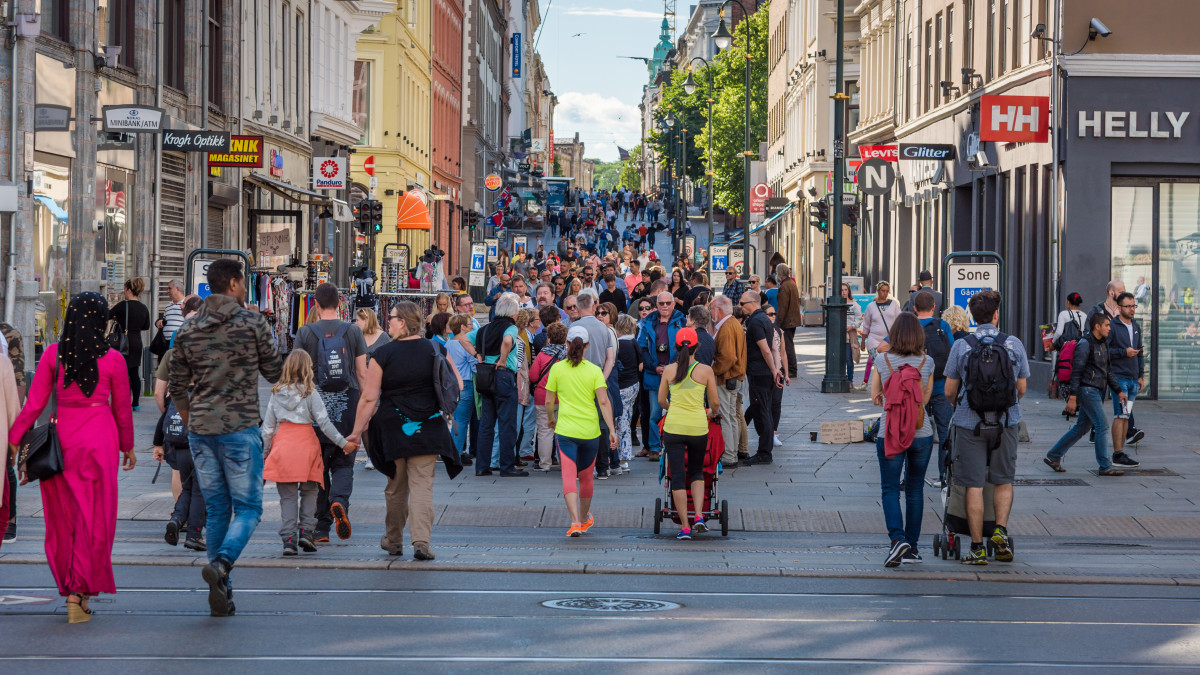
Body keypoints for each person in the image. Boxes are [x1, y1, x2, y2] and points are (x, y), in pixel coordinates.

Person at [9, 292, 135, 622]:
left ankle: (71, 589)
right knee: (94, 518)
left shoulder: (52, 355)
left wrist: (13, 440)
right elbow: (122, 409)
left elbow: (34, 405)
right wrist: (129, 446)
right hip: (99, 442)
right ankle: (80, 592)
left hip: (60, 443)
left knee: (62, 520)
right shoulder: (114, 360)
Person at [169, 258, 283, 617]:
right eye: (244, 281)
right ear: (234, 284)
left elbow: (176, 386)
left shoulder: (188, 329)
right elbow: (274, 370)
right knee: (249, 508)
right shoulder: (252, 322)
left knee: (217, 509)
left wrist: (191, 420)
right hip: (239, 428)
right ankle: (222, 566)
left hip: (201, 432)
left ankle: (224, 592)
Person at [351, 301, 463, 560]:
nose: (387, 321)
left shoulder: (383, 355)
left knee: (396, 487)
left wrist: (356, 432)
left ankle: (393, 540)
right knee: (423, 486)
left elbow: (369, 398)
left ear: (402, 322)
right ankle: (421, 542)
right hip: (429, 427)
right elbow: (456, 383)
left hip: (394, 428)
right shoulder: (435, 348)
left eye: (390, 318)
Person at [943, 290, 1028, 566]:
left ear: (973, 317)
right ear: (995, 315)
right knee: (1003, 480)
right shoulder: (1013, 344)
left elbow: (949, 390)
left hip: (970, 423)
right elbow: (1022, 389)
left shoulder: (962, 345)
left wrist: (963, 405)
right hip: (1006, 422)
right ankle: (1000, 534)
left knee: (973, 485)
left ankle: (977, 547)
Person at [261, 351, 358, 556]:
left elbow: (268, 429)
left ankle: (289, 539)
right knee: (309, 492)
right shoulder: (311, 393)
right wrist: (343, 444)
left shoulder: (276, 393)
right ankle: (306, 531)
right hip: (306, 446)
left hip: (283, 446)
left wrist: (265, 454)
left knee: (287, 496)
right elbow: (324, 423)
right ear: (308, 369)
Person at [293, 283, 368, 543]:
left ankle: (321, 528)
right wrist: (366, 408)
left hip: (316, 408)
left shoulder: (305, 332)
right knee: (345, 461)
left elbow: (298, 377)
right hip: (348, 404)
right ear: (339, 304)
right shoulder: (354, 331)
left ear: (315, 303)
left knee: (319, 467)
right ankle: (340, 502)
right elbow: (361, 373)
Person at [869, 313, 935, 566]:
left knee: (889, 489)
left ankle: (897, 541)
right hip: (922, 433)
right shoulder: (927, 361)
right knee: (915, 490)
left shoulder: (882, 359)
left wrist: (885, 394)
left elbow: (874, 394)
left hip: (890, 432)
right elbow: (925, 399)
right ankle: (913, 549)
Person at [544, 325, 618, 536]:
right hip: (590, 431)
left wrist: (551, 419)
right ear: (587, 346)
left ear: (566, 344)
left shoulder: (557, 369)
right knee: (586, 477)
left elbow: (549, 400)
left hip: (566, 429)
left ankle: (574, 521)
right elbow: (604, 402)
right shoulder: (594, 370)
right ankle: (585, 519)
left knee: (568, 476)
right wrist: (612, 430)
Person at [1045, 310, 1129, 478]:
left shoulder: (1104, 343)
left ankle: (1053, 456)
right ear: (1097, 326)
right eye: (1106, 325)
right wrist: (1073, 397)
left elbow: (1108, 370)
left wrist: (1118, 391)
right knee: (1102, 425)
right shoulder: (1085, 344)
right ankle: (1105, 466)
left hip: (1097, 390)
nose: (1109, 329)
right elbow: (1077, 371)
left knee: (1081, 427)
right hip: (1087, 389)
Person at [658, 327, 721, 540]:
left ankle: (685, 526)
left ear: (676, 347)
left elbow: (660, 401)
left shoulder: (668, 370)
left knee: (676, 476)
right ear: (697, 346)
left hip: (674, 427)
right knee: (696, 472)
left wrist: (673, 407)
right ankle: (700, 517)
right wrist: (710, 413)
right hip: (697, 427)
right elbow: (715, 403)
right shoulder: (705, 371)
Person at [469, 293, 526, 477]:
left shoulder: (485, 329)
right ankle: (507, 466)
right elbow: (508, 341)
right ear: (513, 312)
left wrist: (478, 355)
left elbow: (463, 339)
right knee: (507, 423)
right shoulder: (510, 327)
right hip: (503, 376)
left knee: (486, 423)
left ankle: (482, 466)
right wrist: (502, 359)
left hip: (485, 376)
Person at [571, 290, 620, 478]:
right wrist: (603, 378)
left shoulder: (574, 328)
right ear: (593, 306)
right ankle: (602, 467)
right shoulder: (603, 328)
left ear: (577, 306)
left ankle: (581, 468)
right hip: (597, 379)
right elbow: (611, 358)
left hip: (577, 381)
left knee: (579, 423)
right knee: (601, 424)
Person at [637, 291, 686, 460]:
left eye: (668, 303)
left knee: (677, 412)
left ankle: (676, 445)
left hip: (675, 375)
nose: (665, 306)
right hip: (654, 374)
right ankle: (654, 447)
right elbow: (642, 348)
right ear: (656, 305)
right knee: (654, 414)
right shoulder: (648, 323)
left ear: (673, 304)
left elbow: (685, 348)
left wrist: (672, 367)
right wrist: (655, 367)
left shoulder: (682, 321)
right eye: (661, 303)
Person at [741, 292, 783, 465]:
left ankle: (764, 453)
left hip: (759, 372)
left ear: (752, 303)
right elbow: (772, 347)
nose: (740, 306)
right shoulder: (764, 320)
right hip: (762, 371)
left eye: (742, 303)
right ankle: (761, 450)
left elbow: (766, 349)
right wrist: (775, 369)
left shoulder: (757, 321)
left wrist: (774, 370)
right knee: (760, 409)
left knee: (763, 411)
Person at [1106, 292, 1145, 468]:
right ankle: (1117, 453)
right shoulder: (1112, 327)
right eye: (1128, 306)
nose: (1132, 309)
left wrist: (1140, 376)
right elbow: (1106, 352)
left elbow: (1140, 352)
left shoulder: (1136, 326)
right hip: (1119, 378)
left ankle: (1120, 453)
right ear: (1119, 308)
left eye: (1133, 306)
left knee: (1126, 415)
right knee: (1120, 414)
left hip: (1132, 380)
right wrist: (1124, 352)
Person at [710, 296, 746, 466]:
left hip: (726, 377)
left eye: (711, 309)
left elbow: (728, 357)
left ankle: (729, 455)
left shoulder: (727, 326)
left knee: (726, 416)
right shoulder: (732, 324)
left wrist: (712, 371)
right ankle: (732, 453)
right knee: (730, 416)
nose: (710, 313)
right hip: (733, 376)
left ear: (719, 309)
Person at [529, 322, 568, 471]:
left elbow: (533, 377)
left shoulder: (542, 354)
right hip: (563, 397)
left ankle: (545, 464)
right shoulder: (568, 355)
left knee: (545, 431)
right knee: (563, 431)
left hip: (543, 397)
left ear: (549, 338)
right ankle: (564, 461)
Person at [110, 277, 152, 410]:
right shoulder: (143, 307)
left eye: (124, 289)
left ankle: (123, 402)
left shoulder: (123, 305)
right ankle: (136, 403)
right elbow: (146, 326)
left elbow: (107, 315)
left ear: (128, 290)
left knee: (121, 372)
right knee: (134, 372)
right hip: (137, 341)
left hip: (123, 341)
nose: (124, 292)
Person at [858, 281, 901, 391]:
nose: (885, 293)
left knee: (889, 364)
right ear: (878, 291)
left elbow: (900, 322)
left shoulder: (894, 305)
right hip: (874, 340)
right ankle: (882, 387)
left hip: (890, 341)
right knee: (878, 363)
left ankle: (885, 386)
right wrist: (863, 342)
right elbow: (866, 325)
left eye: (887, 291)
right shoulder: (871, 306)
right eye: (883, 291)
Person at [446, 315, 476, 466]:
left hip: (451, 384)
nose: (471, 326)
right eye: (469, 324)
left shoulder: (448, 343)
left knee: (456, 420)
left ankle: (454, 451)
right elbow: (474, 363)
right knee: (462, 420)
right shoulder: (465, 344)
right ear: (463, 327)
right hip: (465, 382)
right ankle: (455, 453)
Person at [775, 264, 803, 378]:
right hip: (792, 320)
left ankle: (792, 369)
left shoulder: (785, 286)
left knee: (787, 345)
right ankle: (791, 368)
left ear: (780, 273)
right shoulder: (790, 283)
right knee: (788, 344)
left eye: (777, 272)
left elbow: (783, 307)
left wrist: (777, 324)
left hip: (788, 321)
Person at [156, 279, 187, 346]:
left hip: (180, 342)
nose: (167, 291)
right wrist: (160, 321)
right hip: (166, 343)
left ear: (177, 289)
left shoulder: (187, 304)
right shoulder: (168, 306)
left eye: (170, 288)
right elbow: (164, 320)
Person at [843, 283, 863, 383]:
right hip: (838, 335)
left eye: (845, 290)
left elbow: (859, 319)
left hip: (849, 335)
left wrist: (852, 326)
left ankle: (850, 380)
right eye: (842, 290)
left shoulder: (854, 305)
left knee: (849, 358)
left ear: (848, 291)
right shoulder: (837, 303)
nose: (843, 292)